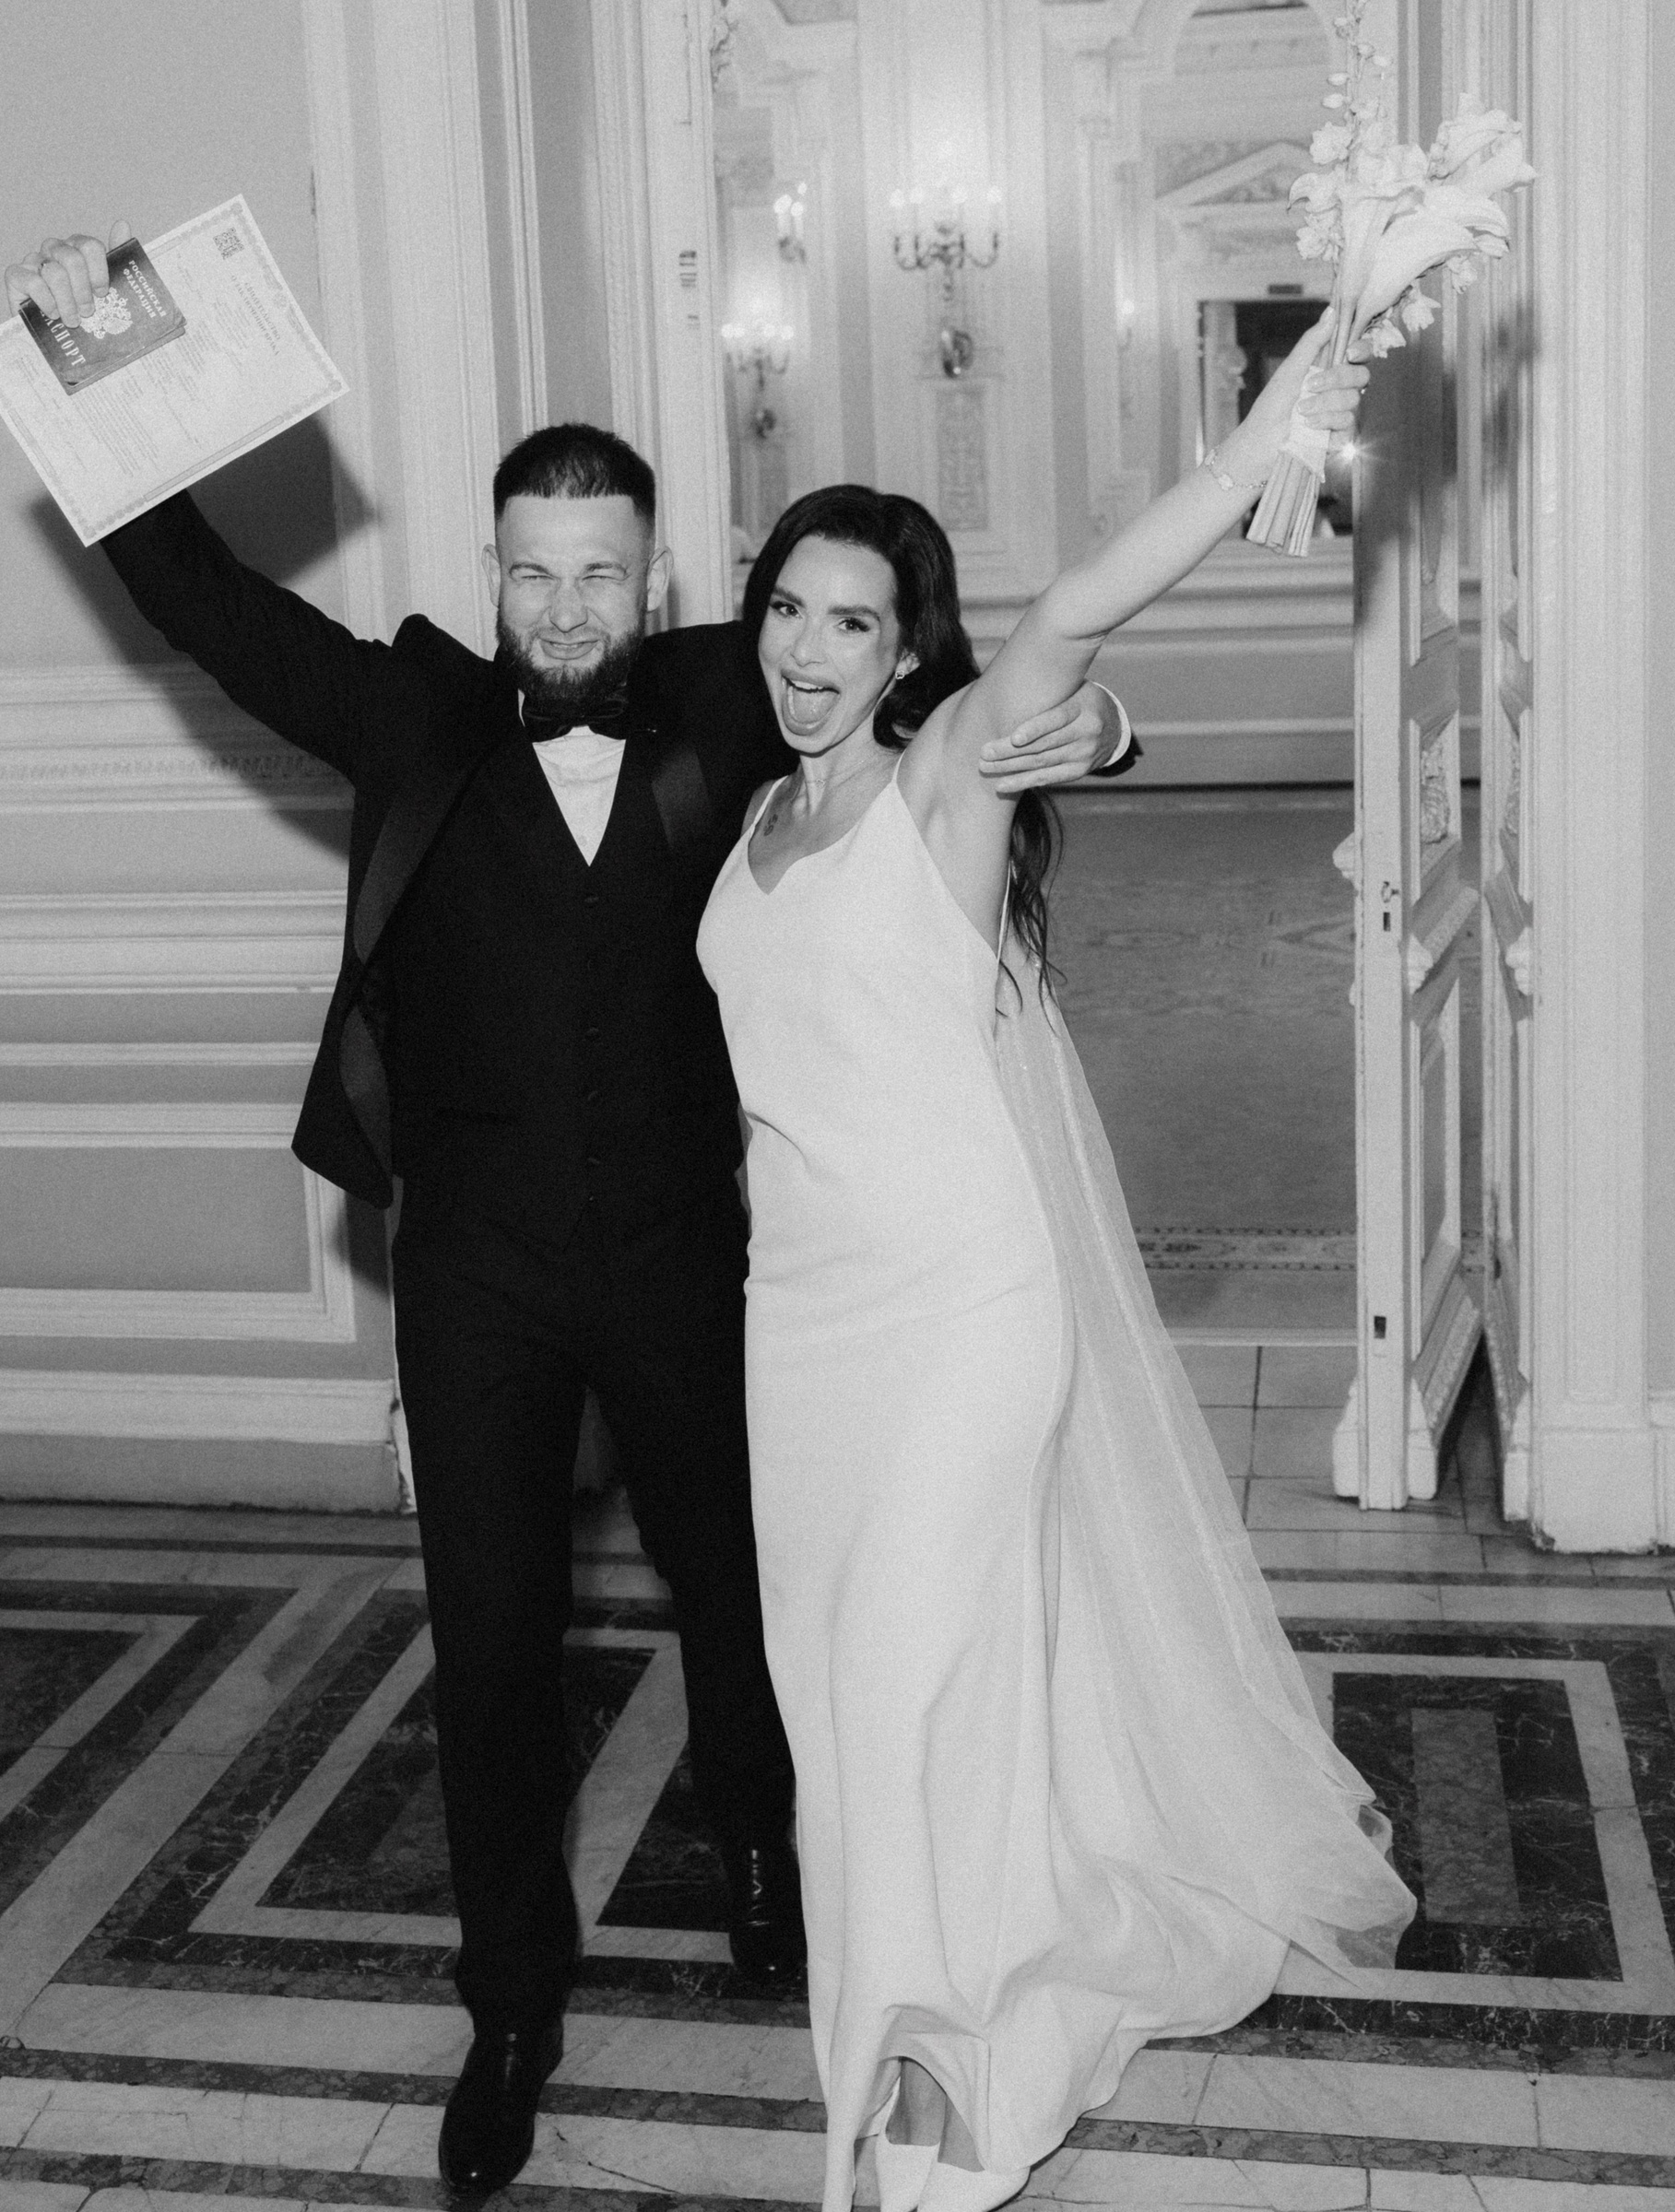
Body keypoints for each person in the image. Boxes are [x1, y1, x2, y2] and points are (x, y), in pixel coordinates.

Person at [4, 227, 1130, 2198]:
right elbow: (200, 599)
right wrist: (79, 364)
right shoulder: (410, 714)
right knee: (492, 1644)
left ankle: (767, 1855)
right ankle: (511, 2005)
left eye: (600, 573)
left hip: (703, 1259)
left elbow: (951, 688)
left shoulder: (736, 691)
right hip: (476, 1276)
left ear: (657, 577)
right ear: (494, 568)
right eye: (532, 571)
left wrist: (1104, 736)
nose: (564, 606)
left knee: (745, 1596)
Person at [696, 317, 1417, 2212]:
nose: (810, 648)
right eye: (789, 609)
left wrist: (1256, 442)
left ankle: (932, 2076)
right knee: (838, 1712)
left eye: (856, 623)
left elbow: (1086, 611)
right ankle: (929, 2020)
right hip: (801, 1332)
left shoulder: (944, 779)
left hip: (962, 1314)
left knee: (905, 1695)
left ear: (907, 651)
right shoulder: (757, 808)